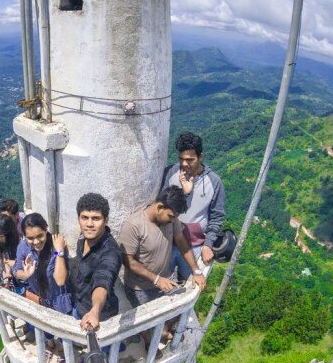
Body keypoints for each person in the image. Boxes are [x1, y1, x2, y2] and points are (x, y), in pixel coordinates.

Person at [119, 186, 205, 347]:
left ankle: (164, 330)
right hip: (140, 287)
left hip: (167, 278)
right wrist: (156, 279)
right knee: (145, 322)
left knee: (184, 304)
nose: (173, 221)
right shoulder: (134, 226)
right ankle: (149, 343)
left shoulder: (171, 220)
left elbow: (181, 242)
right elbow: (128, 261)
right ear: (159, 207)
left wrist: (196, 270)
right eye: (171, 216)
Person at [162, 132, 225, 279]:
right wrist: (184, 193)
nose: (184, 164)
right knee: (164, 285)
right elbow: (163, 206)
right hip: (168, 242)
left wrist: (208, 244)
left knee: (190, 282)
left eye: (190, 160)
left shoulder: (214, 182)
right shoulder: (171, 173)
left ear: (200, 157)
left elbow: (217, 217)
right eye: (181, 159)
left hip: (195, 246)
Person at [72, 193, 123, 332]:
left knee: (102, 350)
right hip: (79, 304)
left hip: (100, 316)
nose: (89, 224)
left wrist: (95, 311)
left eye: (96, 218)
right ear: (78, 219)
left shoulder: (111, 253)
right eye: (85, 218)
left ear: (106, 220)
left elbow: (103, 280)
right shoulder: (83, 237)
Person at [13, 213, 72, 314]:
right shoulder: (23, 247)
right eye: (30, 238)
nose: (36, 242)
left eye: (40, 236)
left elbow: (61, 280)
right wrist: (25, 275)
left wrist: (59, 252)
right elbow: (16, 271)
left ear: (46, 230)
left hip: (61, 303)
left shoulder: (56, 246)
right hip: (40, 303)